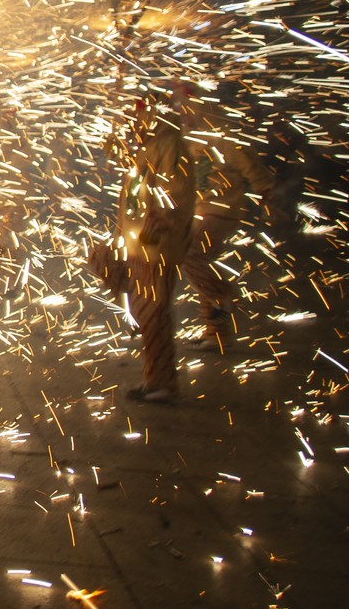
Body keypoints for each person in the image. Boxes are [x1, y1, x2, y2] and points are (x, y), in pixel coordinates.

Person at [91, 93, 195, 403]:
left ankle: (161, 382)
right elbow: (117, 154)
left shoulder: (170, 147)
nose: (135, 122)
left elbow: (172, 195)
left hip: (155, 245)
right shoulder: (148, 147)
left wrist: (155, 229)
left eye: (139, 116)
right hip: (136, 242)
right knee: (106, 267)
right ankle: (156, 377)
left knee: (151, 309)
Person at [177, 84, 280, 352]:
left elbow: (250, 165)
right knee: (200, 266)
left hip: (222, 210)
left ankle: (224, 293)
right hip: (202, 209)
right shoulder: (189, 138)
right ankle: (217, 334)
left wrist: (267, 192)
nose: (183, 115)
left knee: (191, 255)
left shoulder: (221, 136)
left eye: (187, 110)